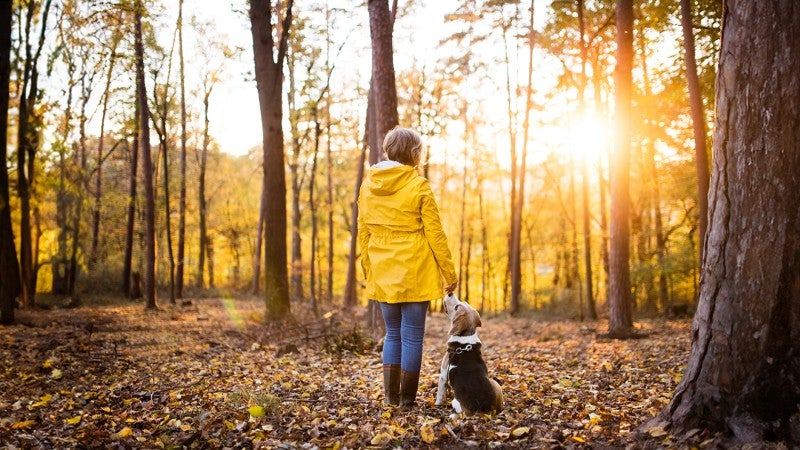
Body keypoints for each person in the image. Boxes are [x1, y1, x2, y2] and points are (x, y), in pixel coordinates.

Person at [357, 127, 458, 408]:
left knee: (392, 333)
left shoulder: (368, 186)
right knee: (412, 336)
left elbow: (363, 231)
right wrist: (449, 272)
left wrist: (369, 269)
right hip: (415, 269)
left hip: (383, 270)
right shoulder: (419, 186)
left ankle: (390, 398)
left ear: (389, 151)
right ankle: (406, 401)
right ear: (415, 154)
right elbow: (435, 234)